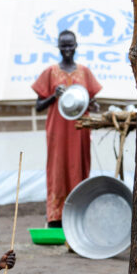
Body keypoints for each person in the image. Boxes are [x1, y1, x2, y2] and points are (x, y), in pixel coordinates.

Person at [32, 29, 102, 228]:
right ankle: (56, 216)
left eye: (70, 45)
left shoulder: (85, 72)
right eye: (63, 46)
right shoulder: (50, 72)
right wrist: (53, 96)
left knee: (79, 168)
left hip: (80, 130)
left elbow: (92, 101)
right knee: (57, 170)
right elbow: (38, 106)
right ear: (58, 47)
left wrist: (94, 106)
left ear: (76, 46)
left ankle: (79, 212)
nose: (67, 49)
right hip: (58, 131)